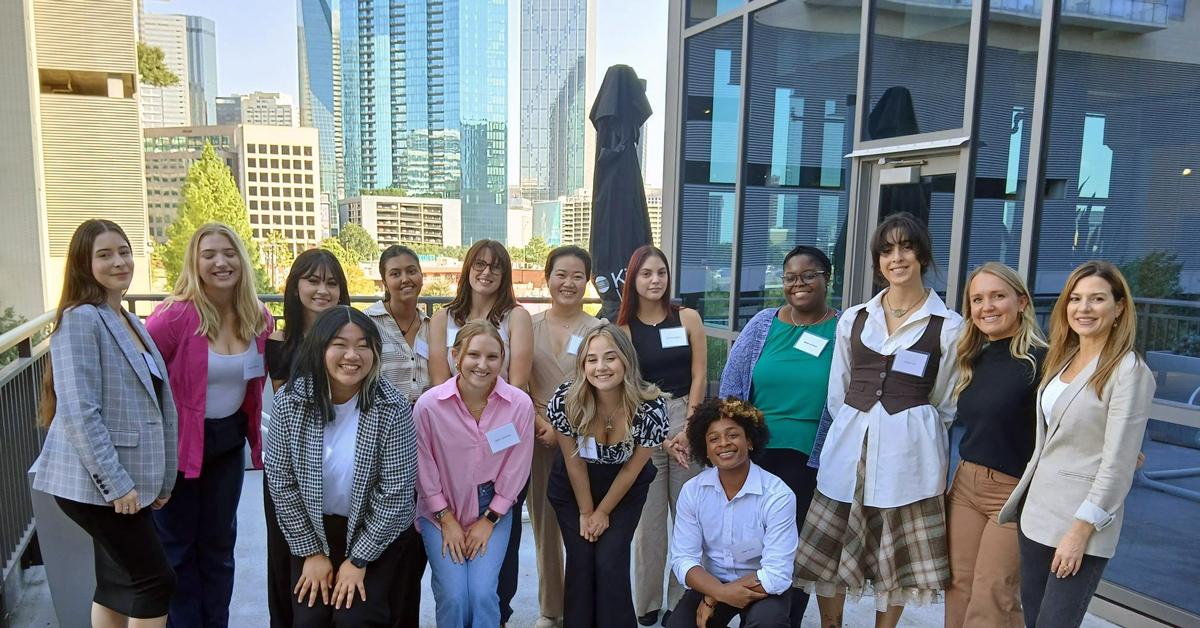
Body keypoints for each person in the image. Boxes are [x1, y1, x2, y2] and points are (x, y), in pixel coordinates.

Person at [794, 212, 962, 628]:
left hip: (909, 457)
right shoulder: (855, 318)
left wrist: (907, 427)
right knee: (831, 553)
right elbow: (839, 389)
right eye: (887, 251)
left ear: (922, 255)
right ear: (878, 261)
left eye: (906, 247)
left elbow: (945, 400)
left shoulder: (949, 326)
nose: (897, 257)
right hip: (849, 451)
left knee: (895, 560)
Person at [33, 219, 179, 628]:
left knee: (117, 583)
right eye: (105, 255)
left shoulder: (127, 320)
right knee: (156, 582)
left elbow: (155, 407)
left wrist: (162, 481)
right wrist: (118, 485)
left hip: (127, 481)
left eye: (125, 251)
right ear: (83, 264)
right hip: (97, 485)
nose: (120, 262)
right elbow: (80, 411)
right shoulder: (81, 319)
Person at [998, 261, 1155, 628]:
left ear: (1119, 308)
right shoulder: (1063, 356)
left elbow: (1117, 465)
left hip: (1079, 524)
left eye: (1097, 299)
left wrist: (1079, 533)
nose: (1083, 309)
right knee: (1035, 620)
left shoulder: (1128, 371)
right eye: (1076, 299)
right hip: (1036, 514)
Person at [146, 222, 274, 628]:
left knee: (220, 548)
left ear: (242, 260)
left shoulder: (259, 317)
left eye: (229, 252)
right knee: (178, 551)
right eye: (209, 254)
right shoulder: (173, 317)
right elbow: (142, 380)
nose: (221, 262)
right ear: (195, 264)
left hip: (228, 444)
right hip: (179, 448)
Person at [265, 306, 418, 627]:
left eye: (364, 345)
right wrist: (312, 553)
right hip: (314, 533)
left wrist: (358, 559)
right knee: (309, 619)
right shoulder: (289, 403)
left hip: (376, 533)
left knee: (356, 618)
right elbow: (281, 482)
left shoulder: (393, 407)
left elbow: (395, 493)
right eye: (340, 344)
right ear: (320, 348)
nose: (353, 355)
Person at [718, 245, 838, 627]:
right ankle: (738, 607)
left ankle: (781, 620)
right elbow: (732, 386)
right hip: (755, 453)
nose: (798, 283)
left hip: (810, 458)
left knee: (793, 551)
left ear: (827, 279)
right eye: (790, 277)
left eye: (808, 275)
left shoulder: (847, 327)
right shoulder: (763, 324)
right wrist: (731, 442)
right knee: (745, 543)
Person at [428, 238, 533, 626]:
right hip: (451, 439)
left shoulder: (516, 316)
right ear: (467, 268)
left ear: (504, 274)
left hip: (503, 439)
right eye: (479, 264)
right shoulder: (442, 318)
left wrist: (490, 431)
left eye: (495, 266)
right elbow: (440, 386)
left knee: (494, 575)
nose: (486, 272)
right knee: (454, 588)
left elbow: (518, 384)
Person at [547, 324, 676, 628]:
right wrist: (586, 511)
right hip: (572, 488)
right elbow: (572, 460)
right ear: (582, 365)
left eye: (610, 358)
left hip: (624, 490)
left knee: (610, 563)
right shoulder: (566, 400)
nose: (601, 367)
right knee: (581, 563)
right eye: (591, 359)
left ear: (626, 361)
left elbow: (633, 468)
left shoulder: (652, 407)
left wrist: (603, 511)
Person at [944, 263, 1046, 628]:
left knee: (993, 595)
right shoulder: (974, 358)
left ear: (1021, 302)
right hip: (966, 484)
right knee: (958, 585)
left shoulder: (1046, 361)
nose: (987, 306)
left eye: (998, 296)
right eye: (977, 299)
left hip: (1015, 493)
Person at [617, 245, 706, 627]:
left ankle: (681, 600)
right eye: (646, 274)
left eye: (661, 273)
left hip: (689, 416)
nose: (655, 280)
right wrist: (658, 437)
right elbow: (625, 386)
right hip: (642, 420)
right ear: (633, 280)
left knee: (689, 518)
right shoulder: (621, 328)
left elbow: (701, 373)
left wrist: (689, 427)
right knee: (648, 524)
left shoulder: (687, 318)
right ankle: (649, 602)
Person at [264, 248, 350, 628]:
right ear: (296, 285)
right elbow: (288, 412)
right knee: (287, 563)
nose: (322, 291)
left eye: (331, 283)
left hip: (343, 466)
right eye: (313, 281)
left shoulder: (352, 334)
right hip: (293, 473)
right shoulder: (280, 339)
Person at [667, 398, 797, 628]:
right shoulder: (693, 492)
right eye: (713, 439)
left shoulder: (778, 495)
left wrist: (714, 597)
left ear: (749, 440)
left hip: (763, 584)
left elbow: (777, 573)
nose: (723, 443)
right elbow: (683, 560)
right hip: (712, 581)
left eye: (733, 435)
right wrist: (717, 591)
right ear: (705, 450)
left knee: (767, 623)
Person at [527, 246, 602, 628]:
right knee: (544, 525)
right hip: (537, 437)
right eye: (561, 274)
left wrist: (564, 429)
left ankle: (581, 606)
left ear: (587, 281)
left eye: (577, 276)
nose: (568, 283)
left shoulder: (598, 330)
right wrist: (542, 423)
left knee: (584, 523)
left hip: (586, 439)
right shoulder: (528, 325)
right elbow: (516, 380)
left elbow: (605, 387)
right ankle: (550, 609)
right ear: (547, 277)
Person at [365, 245, 431, 628]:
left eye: (412, 270)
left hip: (425, 439)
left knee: (415, 538)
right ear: (384, 280)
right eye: (396, 273)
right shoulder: (367, 323)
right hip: (382, 438)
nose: (405, 279)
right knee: (384, 526)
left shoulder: (434, 323)